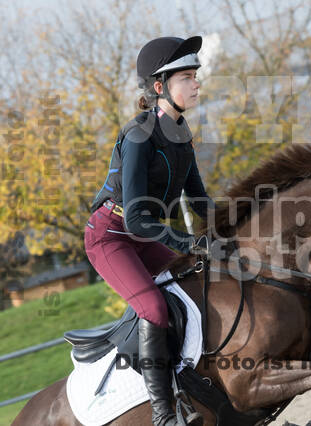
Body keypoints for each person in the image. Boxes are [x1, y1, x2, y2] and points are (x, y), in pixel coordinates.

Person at [84, 36, 214, 426]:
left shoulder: (182, 135)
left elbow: (200, 201)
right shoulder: (138, 136)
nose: (196, 84)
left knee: (198, 282)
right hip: (111, 235)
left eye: (195, 76)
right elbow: (138, 218)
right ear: (160, 87)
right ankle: (162, 414)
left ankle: (195, 381)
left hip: (145, 236)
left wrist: (237, 230)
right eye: (187, 77)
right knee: (155, 309)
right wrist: (187, 242)